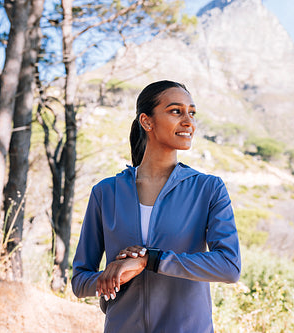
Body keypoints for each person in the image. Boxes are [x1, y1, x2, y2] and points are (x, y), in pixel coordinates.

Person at [71, 80, 241, 332]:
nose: (188, 121)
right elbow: (80, 281)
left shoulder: (208, 189)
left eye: (191, 113)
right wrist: (110, 277)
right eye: (176, 111)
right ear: (146, 121)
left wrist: (150, 260)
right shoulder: (106, 192)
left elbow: (229, 266)